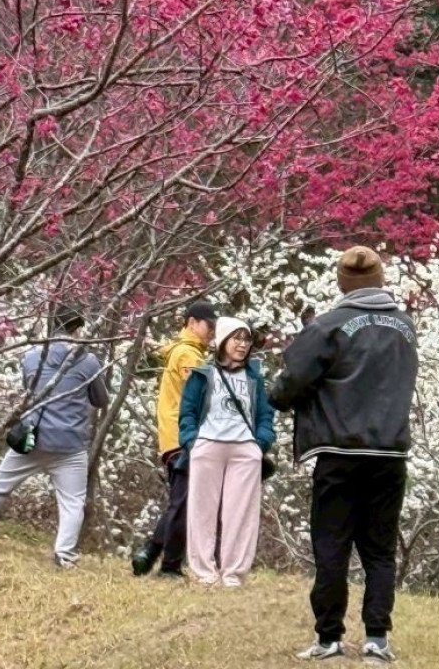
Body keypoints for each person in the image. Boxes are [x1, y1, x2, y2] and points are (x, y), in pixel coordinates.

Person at [269, 246, 418, 664]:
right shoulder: (405, 328)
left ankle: (329, 636)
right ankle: (376, 637)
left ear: (342, 283)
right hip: (390, 453)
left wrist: (279, 397)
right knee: (379, 548)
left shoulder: (329, 327)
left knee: (331, 544)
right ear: (381, 280)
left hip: (340, 451)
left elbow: (291, 381)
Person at [0, 305, 109, 568]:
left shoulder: (31, 357)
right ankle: (64, 554)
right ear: (77, 328)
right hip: (69, 445)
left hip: (32, 439)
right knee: (72, 502)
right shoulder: (88, 361)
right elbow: (101, 400)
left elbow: (30, 389)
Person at [177, 316, 275, 587]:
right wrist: (192, 443)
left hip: (245, 450)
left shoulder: (254, 377)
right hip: (207, 446)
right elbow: (187, 413)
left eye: (246, 340)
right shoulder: (203, 374)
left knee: (240, 514)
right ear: (222, 341)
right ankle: (205, 572)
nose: (243, 345)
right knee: (202, 512)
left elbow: (266, 414)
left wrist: (261, 443)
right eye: (237, 338)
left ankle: (233, 574)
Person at [131, 298, 217, 578]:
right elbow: (202, 397)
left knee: (183, 500)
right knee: (185, 502)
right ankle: (165, 562)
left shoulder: (182, 352)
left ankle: (154, 553)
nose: (212, 332)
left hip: (174, 437)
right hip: (184, 437)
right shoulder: (188, 355)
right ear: (192, 323)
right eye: (209, 325)